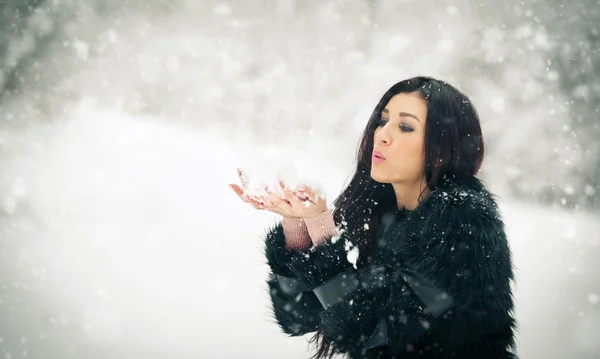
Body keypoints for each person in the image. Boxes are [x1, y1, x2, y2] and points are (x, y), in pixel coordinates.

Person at [229, 76, 518, 359]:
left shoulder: (463, 222)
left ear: (441, 149)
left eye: (405, 127)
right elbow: (298, 317)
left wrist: (323, 229)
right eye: (383, 120)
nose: (382, 134)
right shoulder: (377, 213)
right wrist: (296, 223)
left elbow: (367, 330)